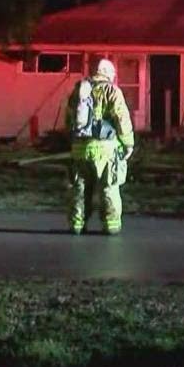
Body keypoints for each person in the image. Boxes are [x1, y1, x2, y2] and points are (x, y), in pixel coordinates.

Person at [64, 58, 134, 235]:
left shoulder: (79, 90)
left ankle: (77, 224)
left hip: (80, 149)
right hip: (106, 150)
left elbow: (69, 119)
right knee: (108, 187)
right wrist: (128, 144)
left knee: (80, 188)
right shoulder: (112, 91)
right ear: (107, 73)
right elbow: (121, 118)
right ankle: (111, 225)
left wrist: (72, 142)